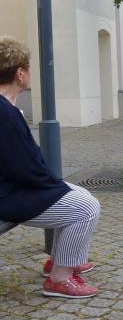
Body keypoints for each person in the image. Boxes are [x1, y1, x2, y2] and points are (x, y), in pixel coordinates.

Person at [0, 35, 100, 298]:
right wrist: (52, 185)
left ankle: (62, 260)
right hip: (6, 194)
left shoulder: (7, 108)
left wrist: (54, 185)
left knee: (79, 194)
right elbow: (25, 167)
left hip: (10, 186)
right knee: (86, 207)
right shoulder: (4, 113)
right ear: (20, 74)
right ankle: (59, 278)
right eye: (28, 69)